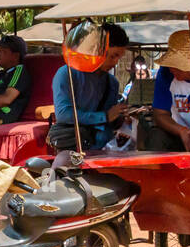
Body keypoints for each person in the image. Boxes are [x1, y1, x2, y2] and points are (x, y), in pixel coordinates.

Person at [48, 23, 129, 151]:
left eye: (119, 57)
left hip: (105, 147)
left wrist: (120, 117)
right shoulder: (66, 74)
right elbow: (63, 114)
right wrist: (105, 116)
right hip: (74, 146)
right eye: (113, 56)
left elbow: (110, 122)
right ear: (97, 50)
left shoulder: (112, 82)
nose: (115, 63)